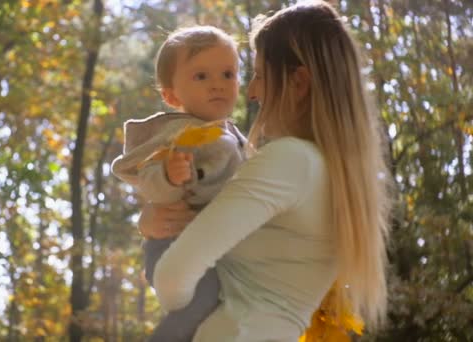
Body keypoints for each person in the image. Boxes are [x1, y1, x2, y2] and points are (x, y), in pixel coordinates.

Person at [142, 1, 391, 341]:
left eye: (259, 75)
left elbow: (172, 277)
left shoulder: (292, 161)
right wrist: (154, 223)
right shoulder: (336, 176)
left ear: (298, 82)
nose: (252, 91)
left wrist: (180, 306)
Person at [111, 25, 247, 342]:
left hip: (213, 246)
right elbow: (151, 187)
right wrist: (170, 176)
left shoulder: (236, 138)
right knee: (205, 297)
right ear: (172, 95)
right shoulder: (178, 135)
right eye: (201, 76)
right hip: (171, 243)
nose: (218, 84)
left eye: (228, 74)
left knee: (219, 313)